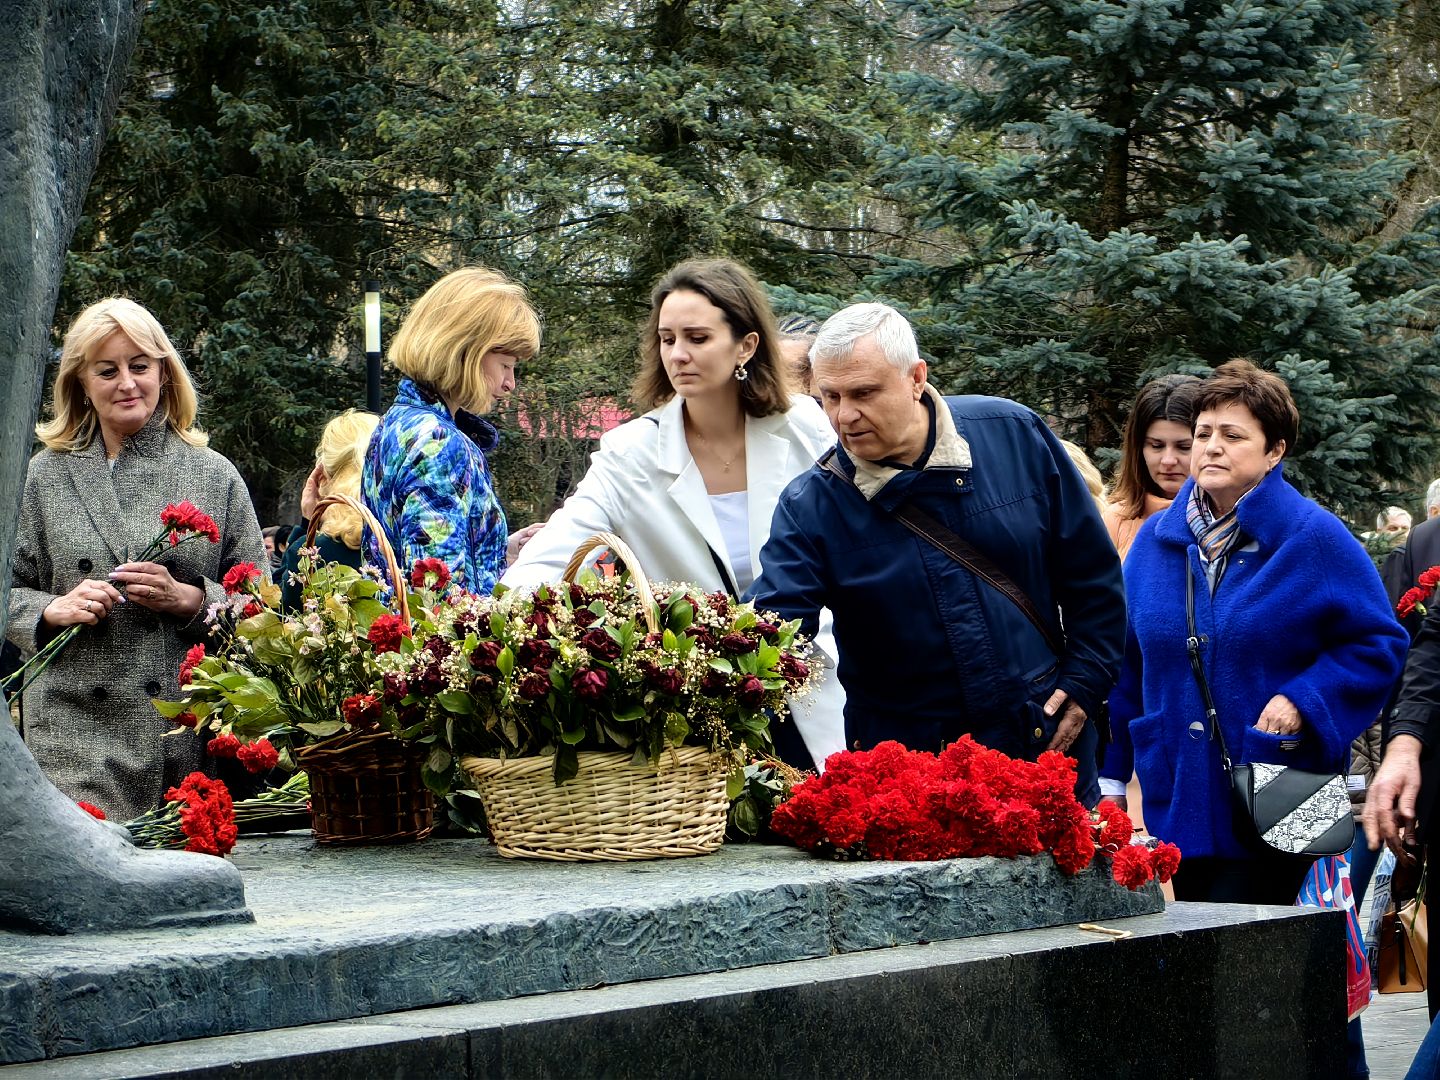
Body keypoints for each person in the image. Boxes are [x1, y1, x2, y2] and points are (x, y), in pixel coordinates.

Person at [747, 303, 1126, 803]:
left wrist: (1086, 680)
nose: (844, 415)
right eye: (830, 396)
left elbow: (1093, 576)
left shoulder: (1014, 435)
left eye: (864, 393)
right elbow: (773, 631)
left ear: (916, 378)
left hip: (1044, 744)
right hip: (912, 779)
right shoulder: (810, 506)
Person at [503, 259, 843, 769]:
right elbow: (555, 552)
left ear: (746, 346)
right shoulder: (630, 454)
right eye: (667, 339)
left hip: (816, 690)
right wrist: (493, 626)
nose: (678, 354)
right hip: (703, 716)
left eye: (697, 338)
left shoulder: (805, 429)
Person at [1099, 359, 1406, 904]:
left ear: (1274, 451)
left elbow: (1378, 644)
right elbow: (1127, 665)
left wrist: (1302, 699)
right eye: (1203, 434)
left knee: (1257, 947)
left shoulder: (1312, 536)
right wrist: (1111, 779)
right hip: (1181, 792)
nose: (1211, 448)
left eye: (1233, 435)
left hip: (1284, 788)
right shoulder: (1156, 542)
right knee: (1204, 936)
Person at [7, 297, 267, 821]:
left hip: (178, 736)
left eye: (140, 366)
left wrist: (191, 601)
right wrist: (49, 610)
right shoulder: (43, 475)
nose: (126, 383)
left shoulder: (214, 474)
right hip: (70, 734)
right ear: (81, 383)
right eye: (107, 371)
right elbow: (7, 589)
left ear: (164, 373)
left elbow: (262, 609)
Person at [363, 267, 541, 594]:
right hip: (436, 628)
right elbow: (436, 591)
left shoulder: (395, 423)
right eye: (506, 365)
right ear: (465, 351)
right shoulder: (439, 441)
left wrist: (499, 551)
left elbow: (408, 554)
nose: (510, 383)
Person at [277, 410, 381, 610]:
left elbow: (278, 609)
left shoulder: (311, 553)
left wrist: (308, 523)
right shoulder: (405, 537)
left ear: (322, 474)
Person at [1101, 374, 1201, 561]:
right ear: (1139, 449)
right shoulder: (1117, 519)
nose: (1168, 460)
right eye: (1156, 446)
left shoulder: (1228, 521)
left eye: (1184, 447)